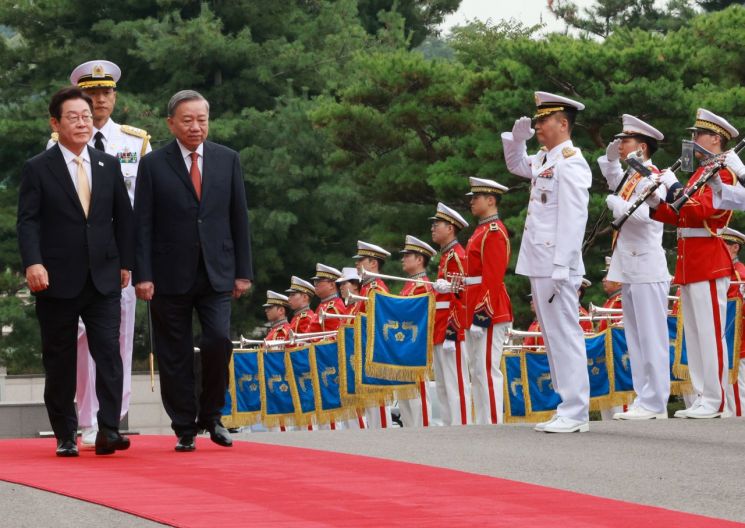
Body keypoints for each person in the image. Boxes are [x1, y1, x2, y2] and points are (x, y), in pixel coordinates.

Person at [134, 90, 253, 451]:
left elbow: (238, 217)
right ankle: (184, 425)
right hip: (168, 274)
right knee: (175, 352)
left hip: (217, 270)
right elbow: (143, 224)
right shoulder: (153, 164)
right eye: (187, 120)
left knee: (218, 339)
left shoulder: (226, 159)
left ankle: (213, 415)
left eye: (201, 119)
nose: (196, 126)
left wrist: (243, 271)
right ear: (171, 123)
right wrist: (143, 274)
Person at [18, 86, 134, 456]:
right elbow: (28, 222)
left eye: (86, 116)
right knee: (60, 358)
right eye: (74, 116)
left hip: (103, 277)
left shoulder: (108, 164)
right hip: (56, 278)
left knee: (109, 354)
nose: (83, 122)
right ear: (55, 123)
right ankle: (66, 434)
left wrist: (126, 262)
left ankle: (109, 429)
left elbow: (123, 220)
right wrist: (33, 262)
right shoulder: (39, 167)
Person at [47, 60, 152, 446]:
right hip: (73, 260)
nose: (100, 100)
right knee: (76, 341)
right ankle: (83, 416)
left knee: (117, 339)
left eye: (106, 93)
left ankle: (110, 420)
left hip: (115, 257)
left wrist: (136, 260)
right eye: (92, 95)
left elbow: (142, 207)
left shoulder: (134, 141)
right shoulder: (61, 143)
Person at [502, 91, 592, 433]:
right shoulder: (545, 159)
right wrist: (516, 141)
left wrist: (562, 264)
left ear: (563, 123)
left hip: (557, 263)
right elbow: (515, 165)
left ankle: (576, 409)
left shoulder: (571, 162)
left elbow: (574, 217)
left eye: (543, 120)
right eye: (537, 121)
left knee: (565, 333)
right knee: (553, 336)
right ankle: (566, 404)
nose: (538, 125)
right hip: (540, 260)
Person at [646, 108, 736, 419]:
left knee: (710, 333)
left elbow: (703, 212)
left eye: (699, 134)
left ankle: (715, 399)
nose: (693, 140)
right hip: (691, 260)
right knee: (696, 334)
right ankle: (703, 396)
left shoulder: (722, 172)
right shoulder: (701, 172)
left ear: (715, 139)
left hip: (709, 259)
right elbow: (682, 214)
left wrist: (673, 188)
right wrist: (657, 203)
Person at [598, 115, 672, 420]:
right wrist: (610, 158)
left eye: (626, 141)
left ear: (641, 148)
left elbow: (646, 216)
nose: (621, 143)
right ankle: (644, 398)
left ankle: (656, 403)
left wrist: (614, 203)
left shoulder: (656, 177)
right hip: (630, 267)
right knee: (636, 336)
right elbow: (614, 178)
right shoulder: (633, 177)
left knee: (651, 336)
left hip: (647, 267)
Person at [463, 177, 513, 425]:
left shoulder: (493, 232)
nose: (472, 202)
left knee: (487, 368)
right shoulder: (481, 231)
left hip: (490, 310)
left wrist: (482, 316)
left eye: (476, 198)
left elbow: (493, 278)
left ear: (491, 200)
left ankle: (493, 423)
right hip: (476, 307)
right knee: (478, 370)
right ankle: (483, 422)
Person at [429, 202, 471, 425]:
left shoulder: (457, 256)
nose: (433, 228)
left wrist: (453, 330)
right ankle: (449, 426)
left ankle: (461, 425)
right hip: (441, 327)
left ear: (451, 228)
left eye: (438, 224)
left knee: (456, 382)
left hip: (450, 329)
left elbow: (462, 296)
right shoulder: (446, 256)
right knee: (444, 384)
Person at [351, 240, 392, 428]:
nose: (357, 265)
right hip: (367, 347)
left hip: (375, 349)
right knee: (371, 401)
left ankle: (382, 434)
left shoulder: (376, 288)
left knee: (378, 400)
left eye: (361, 261)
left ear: (373, 263)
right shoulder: (367, 288)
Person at [398, 235, 436, 427]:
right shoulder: (409, 285)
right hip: (405, 347)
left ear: (420, 259)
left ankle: (423, 432)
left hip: (416, 347)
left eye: (408, 255)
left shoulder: (423, 286)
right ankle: (410, 432)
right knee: (405, 395)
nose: (403, 259)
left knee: (418, 394)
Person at [721, 228, 745, 417]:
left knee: (738, 397)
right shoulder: (723, 272)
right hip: (726, 344)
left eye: (723, 247)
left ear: (735, 247)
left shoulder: (740, 275)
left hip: (738, 345)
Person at [310, 264, 346, 333]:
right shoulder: (323, 304)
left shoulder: (334, 307)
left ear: (332, 285)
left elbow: (332, 338)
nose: (315, 285)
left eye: (319, 281)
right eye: (315, 281)